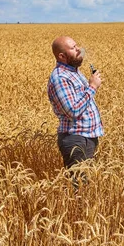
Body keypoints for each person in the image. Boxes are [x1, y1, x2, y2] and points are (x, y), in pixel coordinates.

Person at [47, 36, 103, 189]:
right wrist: (92, 87)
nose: (78, 49)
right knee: (79, 187)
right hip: (75, 139)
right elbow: (73, 110)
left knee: (87, 185)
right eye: (73, 48)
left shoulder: (75, 73)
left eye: (77, 46)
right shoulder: (60, 78)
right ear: (62, 56)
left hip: (87, 136)